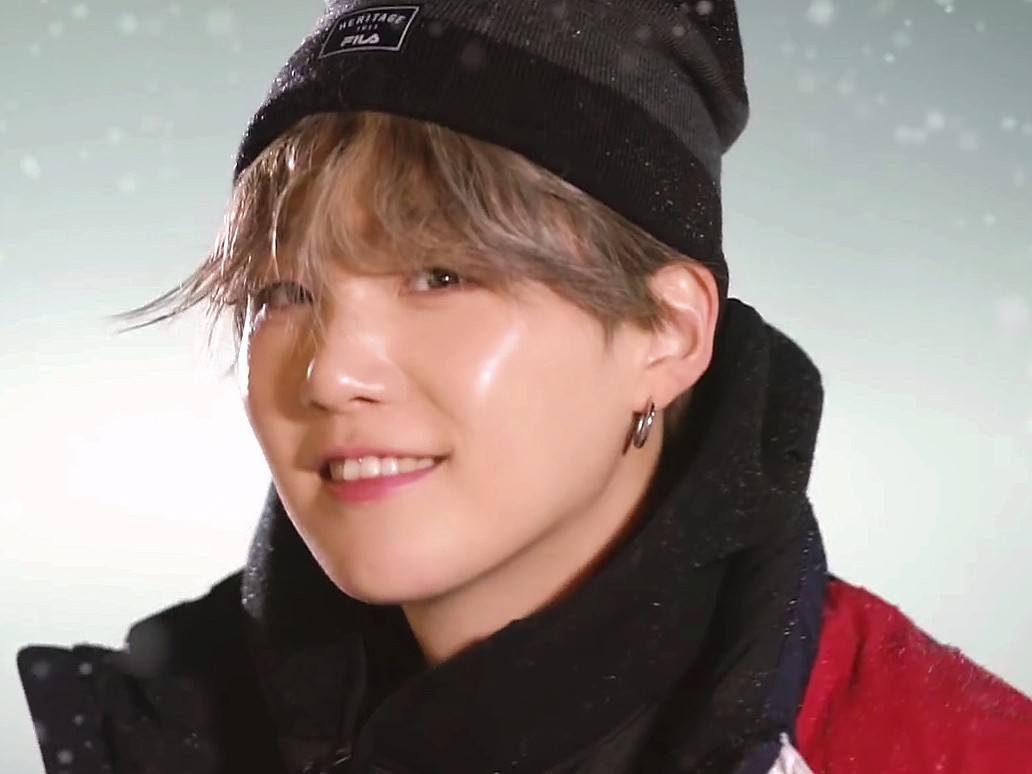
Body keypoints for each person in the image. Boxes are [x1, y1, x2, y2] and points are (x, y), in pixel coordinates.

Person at [17, 1, 1032, 773]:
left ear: (668, 332)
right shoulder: (145, 735)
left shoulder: (928, 748)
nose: (331, 372)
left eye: (440, 276)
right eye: (283, 293)